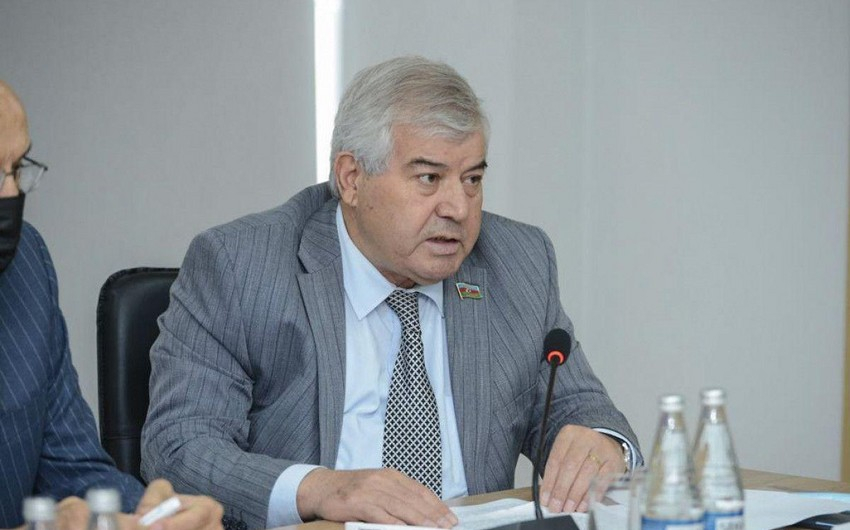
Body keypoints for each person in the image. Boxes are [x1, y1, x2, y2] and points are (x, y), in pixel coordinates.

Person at [141, 56, 642, 530]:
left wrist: (602, 445)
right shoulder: (241, 265)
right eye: (429, 178)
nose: (459, 208)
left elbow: (580, 408)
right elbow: (178, 448)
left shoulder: (517, 261)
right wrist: (322, 489)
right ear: (352, 179)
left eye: (472, 179)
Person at [0, 80, 224, 530]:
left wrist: (153, 515)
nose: (10, 195)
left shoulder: (26, 266)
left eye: (16, 168)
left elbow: (74, 471)